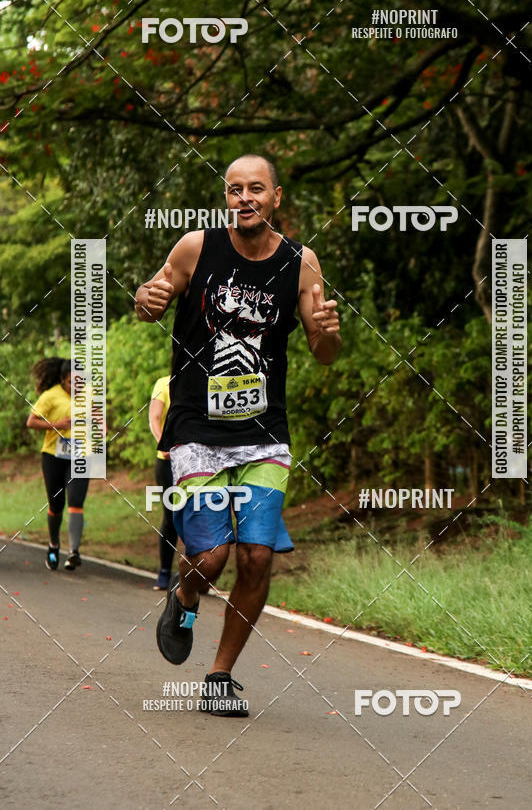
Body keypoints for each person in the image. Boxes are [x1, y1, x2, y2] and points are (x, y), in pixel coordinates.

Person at [134, 153, 341, 716]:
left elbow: (324, 354)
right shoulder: (196, 248)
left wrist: (325, 334)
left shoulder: (301, 263)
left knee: (255, 557)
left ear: (276, 198)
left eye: (255, 189)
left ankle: (220, 675)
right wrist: (145, 300)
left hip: (265, 432)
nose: (243, 198)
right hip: (196, 426)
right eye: (233, 190)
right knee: (210, 556)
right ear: (225, 198)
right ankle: (184, 597)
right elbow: (153, 299)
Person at [26, 357, 90, 571]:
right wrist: (56, 425)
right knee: (56, 504)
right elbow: (31, 422)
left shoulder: (89, 396)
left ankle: (74, 552)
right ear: (63, 380)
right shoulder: (50, 396)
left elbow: (102, 422)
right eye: (73, 381)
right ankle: (53, 545)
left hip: (81, 456)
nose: (77, 386)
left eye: (81, 381)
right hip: (54, 456)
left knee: (76, 502)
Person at [149, 373, 178, 590]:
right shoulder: (164, 383)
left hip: (198, 461)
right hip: (168, 462)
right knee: (171, 515)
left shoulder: (204, 379)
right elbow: (154, 418)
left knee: (199, 514)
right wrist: (162, 442)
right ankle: (165, 571)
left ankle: (199, 572)